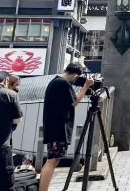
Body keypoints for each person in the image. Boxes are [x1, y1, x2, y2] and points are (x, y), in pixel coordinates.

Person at [39, 63, 94, 191]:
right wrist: (86, 86)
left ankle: (42, 188)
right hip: (58, 128)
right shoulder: (62, 83)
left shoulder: (56, 81)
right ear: (75, 76)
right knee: (52, 161)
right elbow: (75, 101)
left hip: (53, 126)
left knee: (51, 161)